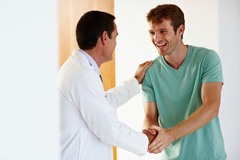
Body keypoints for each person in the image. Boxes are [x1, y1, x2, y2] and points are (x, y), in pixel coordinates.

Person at [58, 10, 153, 160]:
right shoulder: (82, 75)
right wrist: (146, 141)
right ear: (104, 38)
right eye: (115, 37)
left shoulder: (79, 69)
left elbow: (101, 103)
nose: (116, 43)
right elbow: (109, 129)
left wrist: (135, 81)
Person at [141, 4, 227, 160]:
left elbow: (212, 106)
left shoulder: (207, 59)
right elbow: (150, 116)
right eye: (152, 32)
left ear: (180, 30)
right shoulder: (149, 72)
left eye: (163, 31)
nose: (156, 39)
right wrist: (149, 133)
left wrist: (170, 135)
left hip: (210, 156)